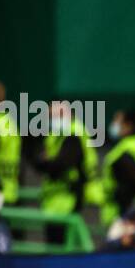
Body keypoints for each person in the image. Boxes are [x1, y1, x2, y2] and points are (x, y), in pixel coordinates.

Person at [33, 100, 101, 245]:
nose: (52, 120)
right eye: (50, 117)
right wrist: (46, 162)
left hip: (72, 198)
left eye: (55, 116)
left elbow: (59, 165)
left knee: (67, 245)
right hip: (55, 199)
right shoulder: (57, 135)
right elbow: (39, 160)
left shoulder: (73, 134)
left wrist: (47, 161)